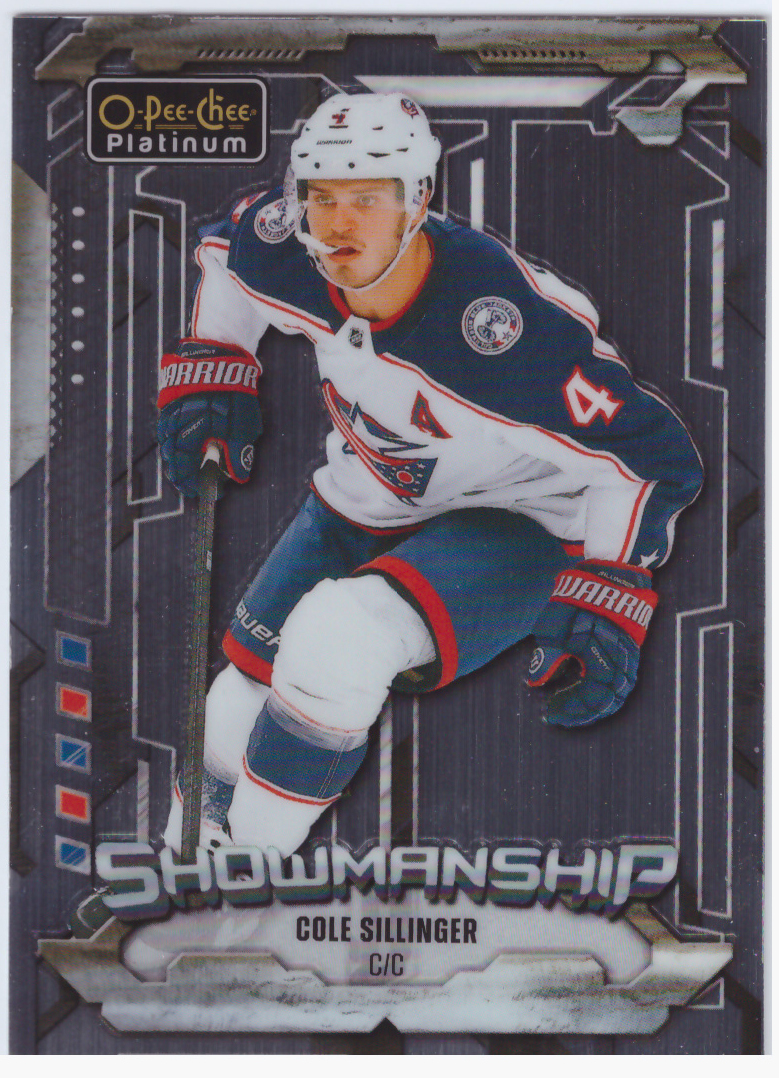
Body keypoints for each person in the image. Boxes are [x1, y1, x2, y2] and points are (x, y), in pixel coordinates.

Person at [153, 90, 702, 862]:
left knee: (337, 642)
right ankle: (181, 869)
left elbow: (652, 458)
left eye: (366, 200)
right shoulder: (281, 242)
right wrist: (218, 356)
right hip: (373, 490)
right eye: (322, 197)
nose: (337, 224)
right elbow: (227, 256)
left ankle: (249, 873)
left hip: (524, 513)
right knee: (240, 694)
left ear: (418, 200)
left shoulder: (505, 333)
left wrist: (611, 588)